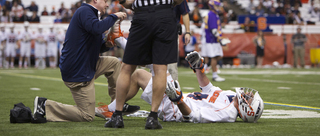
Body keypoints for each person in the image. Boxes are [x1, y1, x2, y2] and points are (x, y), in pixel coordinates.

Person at [104, 0, 199, 129]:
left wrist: (123, 1)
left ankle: (117, 115)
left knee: (128, 67)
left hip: (142, 15)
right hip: (165, 16)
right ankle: (153, 118)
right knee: (160, 69)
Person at [32, 0, 138, 123]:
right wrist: (114, 16)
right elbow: (96, 28)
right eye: (105, 1)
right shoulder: (85, 11)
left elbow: (97, 46)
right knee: (86, 115)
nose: (107, 4)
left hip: (85, 64)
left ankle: (116, 105)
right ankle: (45, 106)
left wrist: (107, 44)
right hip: (78, 70)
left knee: (114, 63)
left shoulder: (90, 15)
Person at [99, 51, 264, 124]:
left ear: (246, 110)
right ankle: (112, 109)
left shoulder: (226, 113)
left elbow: (192, 117)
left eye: (249, 98)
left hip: (176, 109)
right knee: (139, 74)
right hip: (181, 97)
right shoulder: (229, 96)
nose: (247, 94)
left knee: (156, 64)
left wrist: (177, 99)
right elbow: (208, 88)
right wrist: (199, 68)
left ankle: (121, 39)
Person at [201, 0, 230, 82]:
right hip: (212, 39)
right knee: (214, 57)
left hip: (213, 39)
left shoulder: (214, 14)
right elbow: (213, 29)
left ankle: (207, 66)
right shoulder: (212, 14)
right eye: (217, 6)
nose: (218, 7)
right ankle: (214, 75)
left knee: (219, 56)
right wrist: (219, 38)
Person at [167, 0, 191, 80]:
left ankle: (174, 89)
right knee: (155, 65)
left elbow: (185, 13)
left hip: (171, 32)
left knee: (171, 65)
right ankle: (153, 90)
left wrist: (187, 31)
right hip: (156, 31)